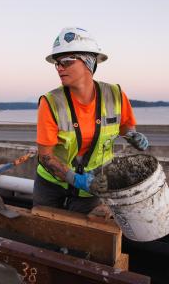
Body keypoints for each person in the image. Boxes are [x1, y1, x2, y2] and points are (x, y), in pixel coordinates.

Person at [33, 27, 148, 214]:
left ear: (89, 61)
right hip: (51, 184)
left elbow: (126, 127)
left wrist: (133, 136)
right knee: (47, 234)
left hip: (96, 184)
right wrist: (77, 179)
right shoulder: (51, 102)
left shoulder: (115, 95)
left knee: (84, 238)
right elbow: (45, 157)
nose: (60, 67)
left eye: (67, 61)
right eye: (57, 63)